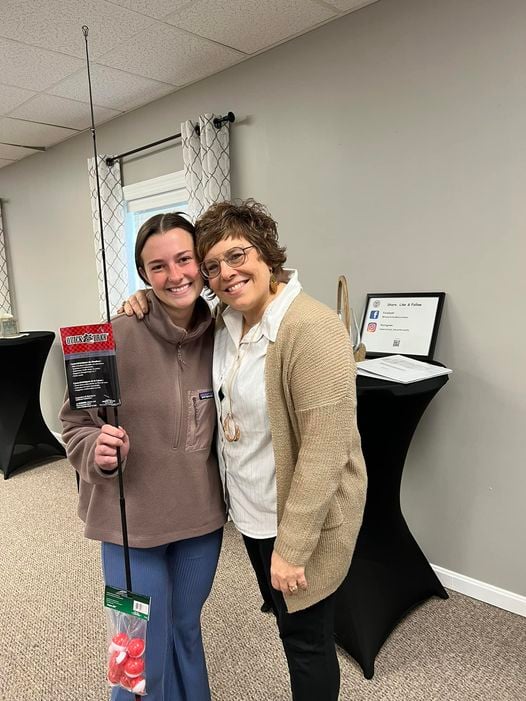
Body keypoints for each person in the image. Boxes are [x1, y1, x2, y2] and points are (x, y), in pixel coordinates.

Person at [124, 199, 367, 701]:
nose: (226, 274)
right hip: (253, 515)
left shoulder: (312, 329)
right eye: (212, 266)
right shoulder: (225, 325)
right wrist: (141, 299)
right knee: (285, 629)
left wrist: (293, 549)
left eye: (237, 256)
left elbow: (326, 453)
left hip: (298, 522)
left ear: (267, 254)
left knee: (307, 644)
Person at [60, 213, 226, 701]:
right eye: (158, 267)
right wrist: (98, 451)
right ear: (143, 275)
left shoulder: (225, 334)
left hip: (200, 521)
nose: (175, 275)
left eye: (184, 259)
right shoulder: (109, 334)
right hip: (127, 525)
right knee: (134, 646)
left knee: (184, 629)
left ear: (202, 262)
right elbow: (75, 425)